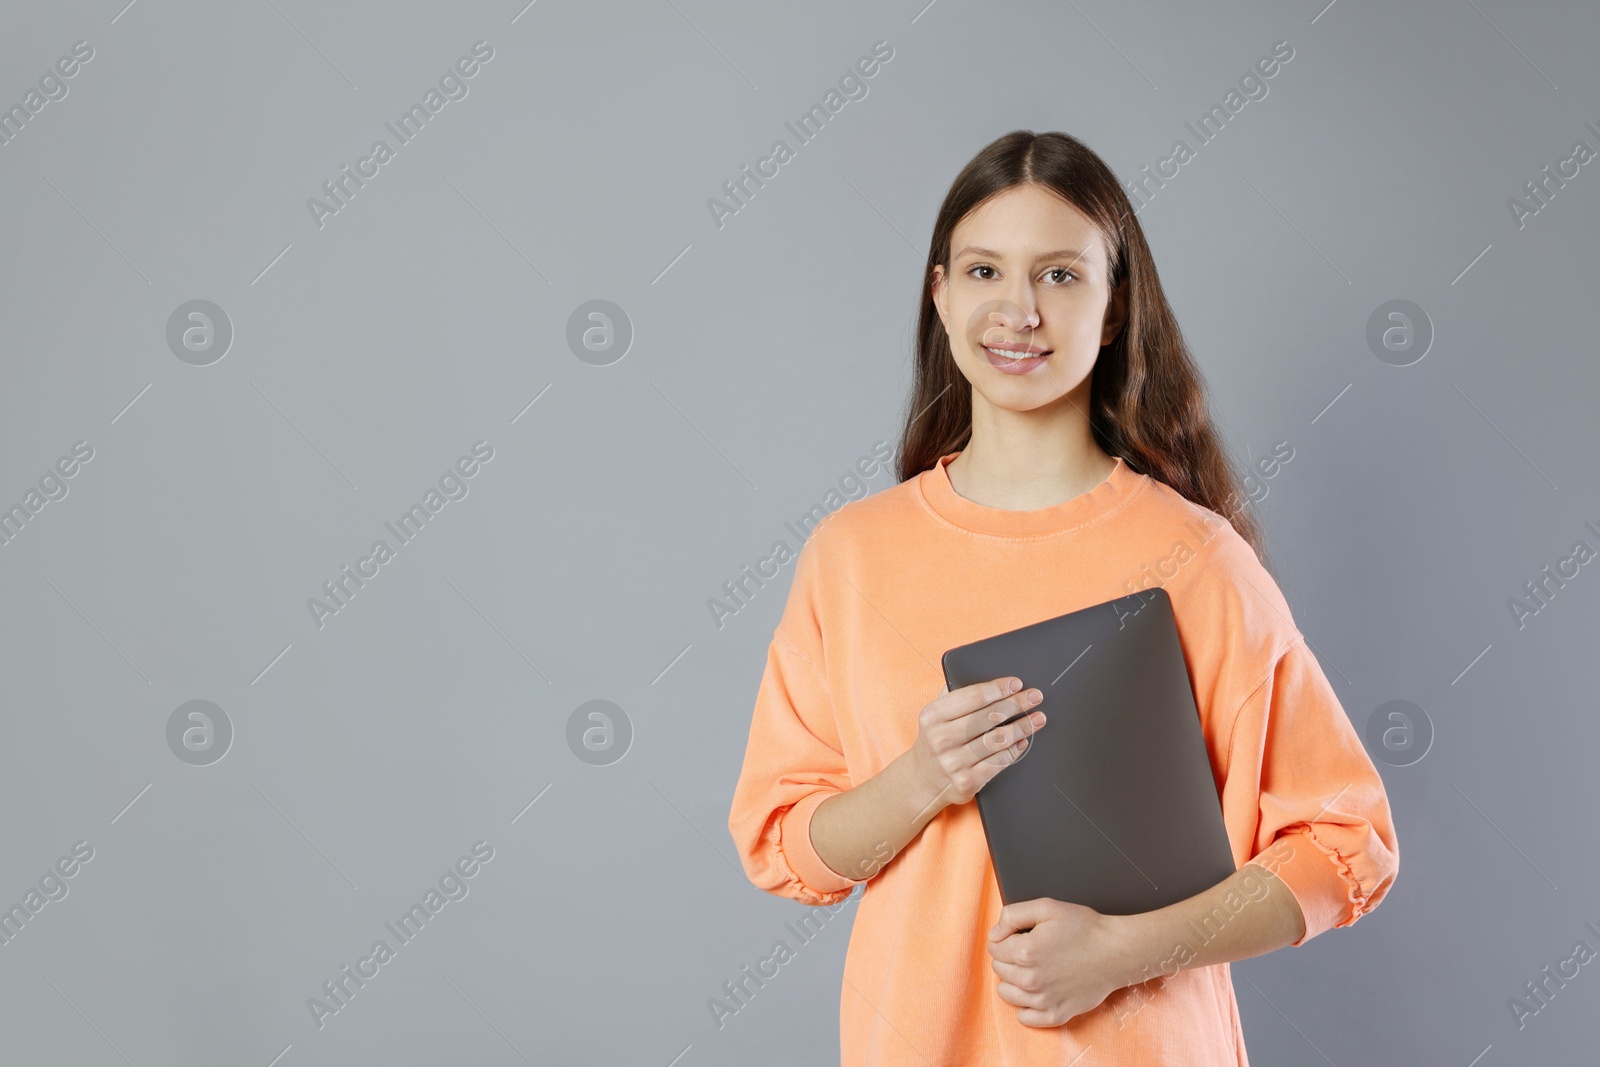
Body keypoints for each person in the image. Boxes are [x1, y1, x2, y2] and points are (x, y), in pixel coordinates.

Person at [726, 129, 1399, 1065]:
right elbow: (784, 847)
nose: (1017, 310)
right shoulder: (852, 556)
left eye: (1060, 275)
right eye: (984, 271)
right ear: (940, 293)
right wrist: (921, 778)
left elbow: (1345, 842)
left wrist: (1124, 952)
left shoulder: (1192, 558)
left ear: (1116, 306)